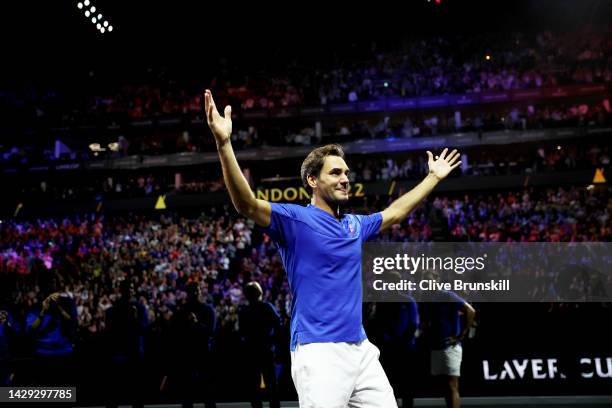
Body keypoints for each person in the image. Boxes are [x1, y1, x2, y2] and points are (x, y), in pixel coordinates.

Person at [204, 89, 462, 407]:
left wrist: (432, 178)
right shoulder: (294, 219)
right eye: (336, 173)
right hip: (318, 352)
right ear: (312, 181)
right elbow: (245, 203)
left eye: (346, 173)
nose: (345, 179)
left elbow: (396, 212)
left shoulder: (355, 225)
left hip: (362, 350)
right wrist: (224, 143)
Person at [419, 271, 476, 408]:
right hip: (436, 346)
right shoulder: (427, 298)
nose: (427, 283)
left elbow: (470, 311)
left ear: (437, 279)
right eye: (424, 280)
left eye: (429, 279)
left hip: (450, 347)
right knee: (445, 386)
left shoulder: (447, 295)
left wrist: (461, 336)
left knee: (452, 385)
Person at [172, 281, 217, 408]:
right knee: (187, 393)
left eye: (197, 290)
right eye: (193, 291)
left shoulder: (208, 310)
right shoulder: (181, 311)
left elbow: (210, 332)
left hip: (204, 354)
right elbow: (175, 333)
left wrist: (196, 323)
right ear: (188, 294)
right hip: (187, 355)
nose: (196, 293)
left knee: (208, 392)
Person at [239, 281, 282, 408]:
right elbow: (278, 325)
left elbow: (242, 332)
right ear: (260, 293)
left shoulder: (244, 311)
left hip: (251, 352)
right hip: (266, 350)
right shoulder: (267, 307)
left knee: (254, 387)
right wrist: (273, 341)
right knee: (271, 385)